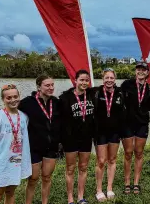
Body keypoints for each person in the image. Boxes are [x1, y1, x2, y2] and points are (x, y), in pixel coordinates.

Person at [0, 75, 61, 204]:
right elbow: (12, 107)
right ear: (39, 87)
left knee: (47, 177)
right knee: (33, 179)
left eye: (52, 85)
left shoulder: (56, 102)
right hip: (34, 147)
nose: (51, 88)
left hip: (51, 147)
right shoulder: (28, 102)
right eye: (47, 85)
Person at [0, 84, 31, 204]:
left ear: (19, 96)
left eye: (15, 96)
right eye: (9, 98)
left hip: (15, 164)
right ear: (3, 99)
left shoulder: (24, 117)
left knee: (10, 193)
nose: (13, 100)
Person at [58, 70, 96, 204]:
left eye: (87, 80)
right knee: (70, 168)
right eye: (82, 80)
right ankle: (70, 198)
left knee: (84, 167)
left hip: (86, 137)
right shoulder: (65, 98)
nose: (84, 82)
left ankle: (80, 196)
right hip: (70, 138)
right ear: (75, 80)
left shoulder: (92, 94)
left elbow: (109, 89)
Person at [93, 68, 126, 201]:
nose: (109, 80)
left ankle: (109, 188)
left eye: (111, 78)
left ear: (115, 79)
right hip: (100, 132)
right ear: (102, 79)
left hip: (115, 132)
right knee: (101, 161)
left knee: (112, 160)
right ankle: (99, 190)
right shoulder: (95, 92)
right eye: (107, 78)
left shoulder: (120, 93)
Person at [120, 62, 150, 194]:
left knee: (139, 153)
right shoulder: (126, 85)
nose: (140, 71)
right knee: (128, 153)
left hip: (142, 124)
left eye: (143, 70)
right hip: (127, 124)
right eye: (138, 69)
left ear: (147, 73)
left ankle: (136, 183)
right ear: (135, 71)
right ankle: (127, 182)